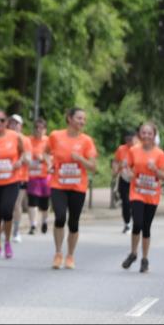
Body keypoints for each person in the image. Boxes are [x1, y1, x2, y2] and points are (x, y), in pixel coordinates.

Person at [48, 107, 98, 269]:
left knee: (73, 222)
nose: (82, 121)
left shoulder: (87, 141)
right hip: (58, 184)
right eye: (79, 118)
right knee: (60, 217)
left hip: (77, 186)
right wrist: (48, 163)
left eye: (84, 119)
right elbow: (45, 153)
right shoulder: (56, 136)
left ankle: (70, 255)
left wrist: (81, 159)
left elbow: (93, 167)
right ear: (69, 118)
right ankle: (58, 253)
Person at [120, 122, 164, 273]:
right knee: (137, 223)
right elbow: (126, 167)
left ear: (154, 136)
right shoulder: (134, 150)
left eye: (149, 133)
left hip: (152, 195)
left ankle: (145, 259)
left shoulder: (159, 154)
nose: (146, 136)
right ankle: (133, 253)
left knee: (146, 227)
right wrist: (128, 173)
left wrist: (155, 169)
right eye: (143, 133)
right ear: (139, 134)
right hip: (137, 192)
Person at [0, 109, 30, 259]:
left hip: (11, 180)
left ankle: (7, 242)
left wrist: (20, 161)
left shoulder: (15, 136)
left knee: (7, 210)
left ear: (7, 122)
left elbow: (24, 153)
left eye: (2, 120)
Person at [26, 118, 52, 235]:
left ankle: (45, 221)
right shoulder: (28, 140)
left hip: (45, 175)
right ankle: (33, 225)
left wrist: (43, 158)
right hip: (32, 175)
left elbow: (55, 156)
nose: (38, 130)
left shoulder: (49, 141)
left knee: (45, 203)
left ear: (45, 130)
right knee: (32, 201)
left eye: (41, 128)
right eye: (36, 128)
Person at [7, 114, 29, 243]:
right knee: (6, 205)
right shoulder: (3, 137)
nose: (13, 126)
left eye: (16, 123)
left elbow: (29, 159)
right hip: (4, 177)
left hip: (20, 176)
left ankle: (16, 231)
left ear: (21, 126)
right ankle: (6, 227)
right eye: (11, 123)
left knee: (16, 204)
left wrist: (21, 160)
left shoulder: (25, 140)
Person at [111, 131, 136, 233]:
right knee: (125, 202)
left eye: (131, 140)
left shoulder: (138, 149)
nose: (129, 142)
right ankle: (127, 223)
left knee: (134, 202)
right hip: (124, 178)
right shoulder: (121, 149)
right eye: (127, 140)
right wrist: (116, 168)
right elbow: (115, 161)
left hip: (136, 181)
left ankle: (136, 221)